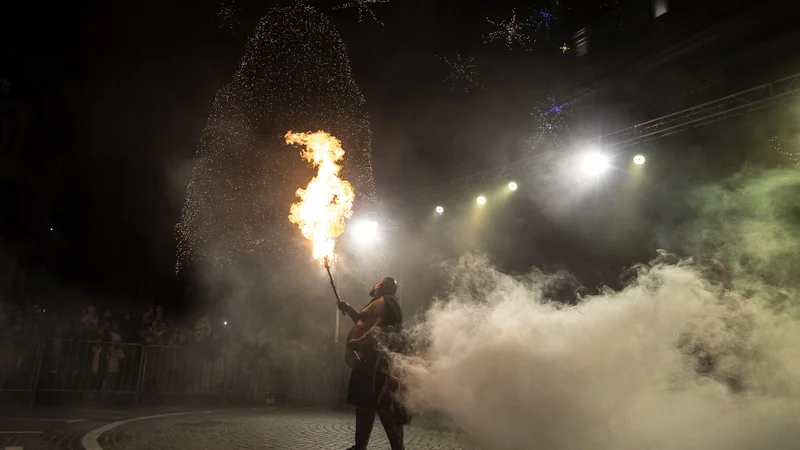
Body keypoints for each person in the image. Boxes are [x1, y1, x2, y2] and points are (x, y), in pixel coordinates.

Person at [337, 277, 407, 450]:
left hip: (377, 363)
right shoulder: (377, 303)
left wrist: (360, 341)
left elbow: (381, 326)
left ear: (384, 286)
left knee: (386, 408)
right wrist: (347, 308)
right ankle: (360, 446)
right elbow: (363, 322)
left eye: (379, 283)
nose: (375, 284)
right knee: (364, 406)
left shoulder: (388, 300)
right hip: (367, 362)